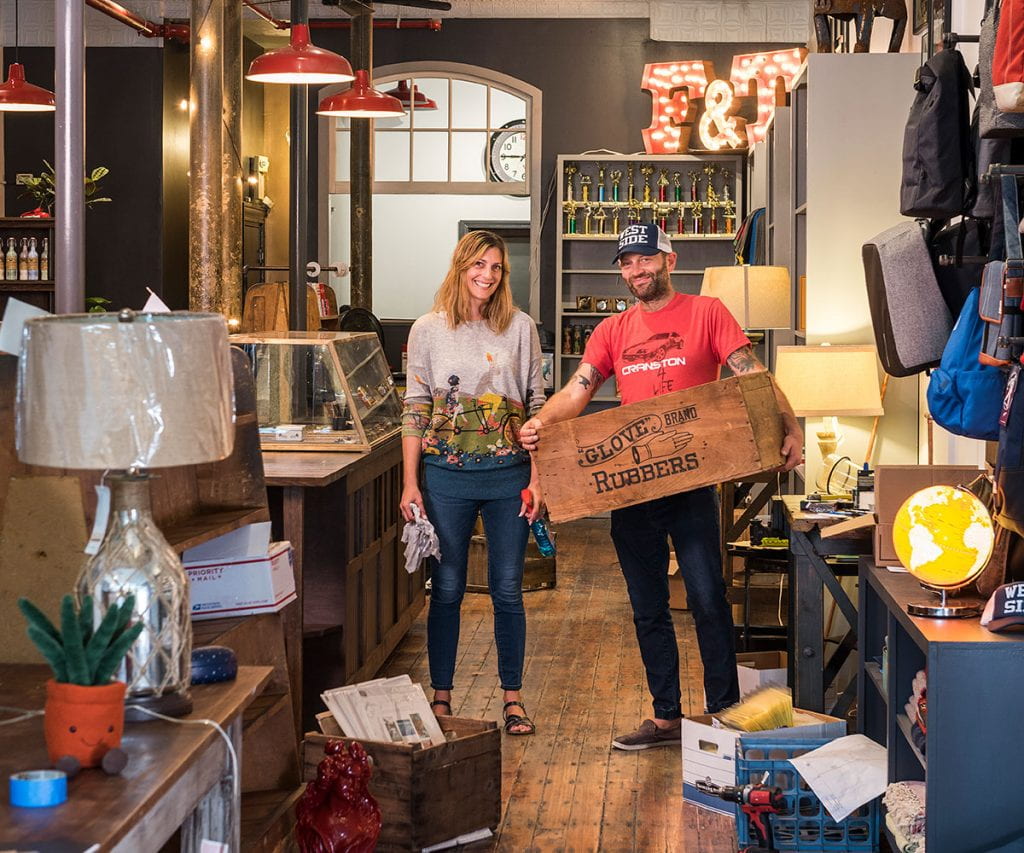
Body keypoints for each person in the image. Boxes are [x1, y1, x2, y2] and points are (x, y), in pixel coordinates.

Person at [520, 223, 802, 750]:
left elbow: (751, 375)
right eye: (627, 263)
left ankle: (724, 713)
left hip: (692, 484)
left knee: (707, 598)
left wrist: (789, 425)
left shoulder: (708, 312)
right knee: (647, 605)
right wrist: (542, 422)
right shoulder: (612, 331)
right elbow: (578, 391)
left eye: (646, 258)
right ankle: (667, 716)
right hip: (632, 488)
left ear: (669, 260)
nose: (636, 270)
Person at [400, 229, 545, 736]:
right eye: (478, 265)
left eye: (496, 268)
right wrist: (410, 482)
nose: (487, 275)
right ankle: (441, 698)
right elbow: (416, 408)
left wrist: (538, 479)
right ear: (460, 267)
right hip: (444, 480)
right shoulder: (427, 330)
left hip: (510, 479)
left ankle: (513, 698)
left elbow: (537, 410)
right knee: (447, 589)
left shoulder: (521, 328)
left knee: (508, 590)